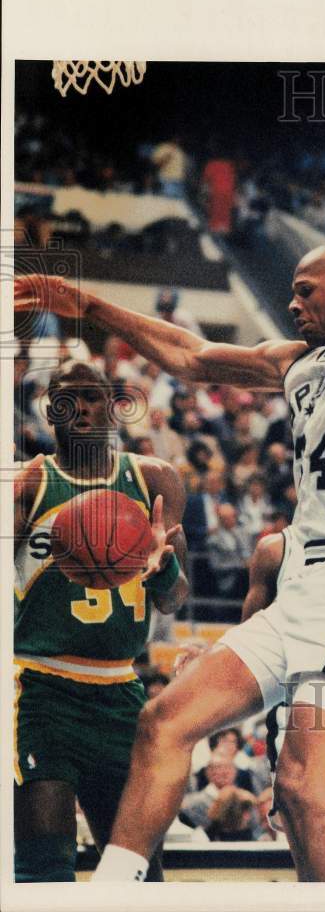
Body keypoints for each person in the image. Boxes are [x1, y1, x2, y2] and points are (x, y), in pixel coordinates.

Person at [16, 121, 325, 883]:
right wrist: (90, 305)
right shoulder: (298, 364)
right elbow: (193, 357)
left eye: (305, 291)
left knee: (302, 786)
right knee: (165, 721)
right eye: (289, 292)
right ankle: (114, 889)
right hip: (304, 582)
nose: (291, 303)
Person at [12, 360, 189, 883]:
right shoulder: (29, 484)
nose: (81, 409)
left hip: (120, 693)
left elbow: (175, 600)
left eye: (92, 397)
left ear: (114, 407)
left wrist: (162, 567)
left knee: (138, 870)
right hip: (40, 689)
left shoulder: (154, 479)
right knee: (45, 865)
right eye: (67, 400)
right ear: (50, 411)